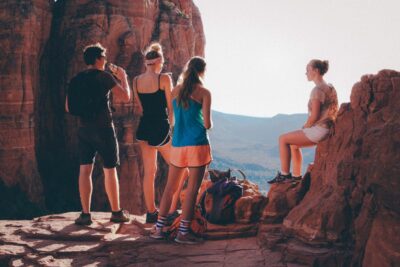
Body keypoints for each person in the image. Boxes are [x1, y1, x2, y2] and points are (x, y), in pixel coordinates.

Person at [65, 43, 131, 225]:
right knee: (110, 170)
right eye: (104, 57)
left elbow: (68, 107)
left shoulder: (76, 79)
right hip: (103, 129)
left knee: (85, 170)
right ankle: (116, 212)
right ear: (98, 59)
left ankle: (85, 214)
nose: (105, 61)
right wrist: (123, 77)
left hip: (83, 129)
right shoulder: (104, 77)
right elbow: (126, 97)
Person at [151, 56, 212, 244]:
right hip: (197, 144)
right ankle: (183, 233)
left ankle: (158, 229)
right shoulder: (204, 92)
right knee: (192, 189)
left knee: (170, 187)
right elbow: (208, 124)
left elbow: (173, 119)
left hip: (178, 143)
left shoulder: (176, 91)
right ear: (202, 72)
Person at [133, 43, 187, 223]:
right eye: (162, 62)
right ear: (158, 62)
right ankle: (171, 210)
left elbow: (140, 108)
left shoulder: (136, 80)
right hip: (160, 128)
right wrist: (174, 128)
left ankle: (151, 213)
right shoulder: (164, 79)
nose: (163, 65)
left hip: (144, 127)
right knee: (181, 169)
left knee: (150, 172)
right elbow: (171, 107)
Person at [268, 59, 338, 184]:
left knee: (282, 139)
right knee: (294, 146)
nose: (306, 73)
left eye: (307, 70)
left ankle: (284, 175)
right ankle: (296, 177)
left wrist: (306, 126)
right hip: (327, 128)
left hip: (319, 129)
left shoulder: (317, 90)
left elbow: (315, 115)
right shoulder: (330, 88)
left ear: (316, 71)